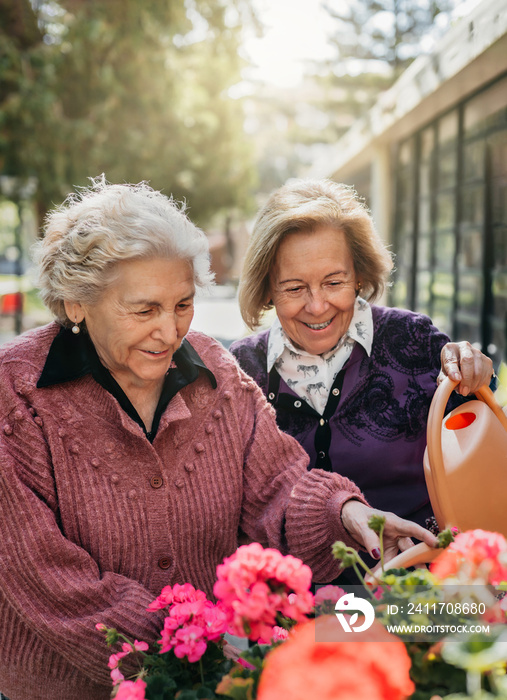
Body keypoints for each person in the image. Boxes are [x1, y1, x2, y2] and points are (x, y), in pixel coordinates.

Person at [0, 178, 435, 700]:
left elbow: (277, 486)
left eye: (182, 304)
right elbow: (42, 576)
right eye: (145, 309)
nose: (169, 332)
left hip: (214, 681)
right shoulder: (17, 392)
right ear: (76, 303)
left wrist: (346, 514)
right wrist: (191, 649)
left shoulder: (216, 372)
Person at [230, 178, 494, 550]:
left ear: (359, 276)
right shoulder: (241, 372)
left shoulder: (413, 341)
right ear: (267, 289)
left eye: (334, 282)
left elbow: (485, 455)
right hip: (295, 600)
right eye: (293, 288)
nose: (317, 305)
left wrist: (477, 376)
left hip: (421, 589)